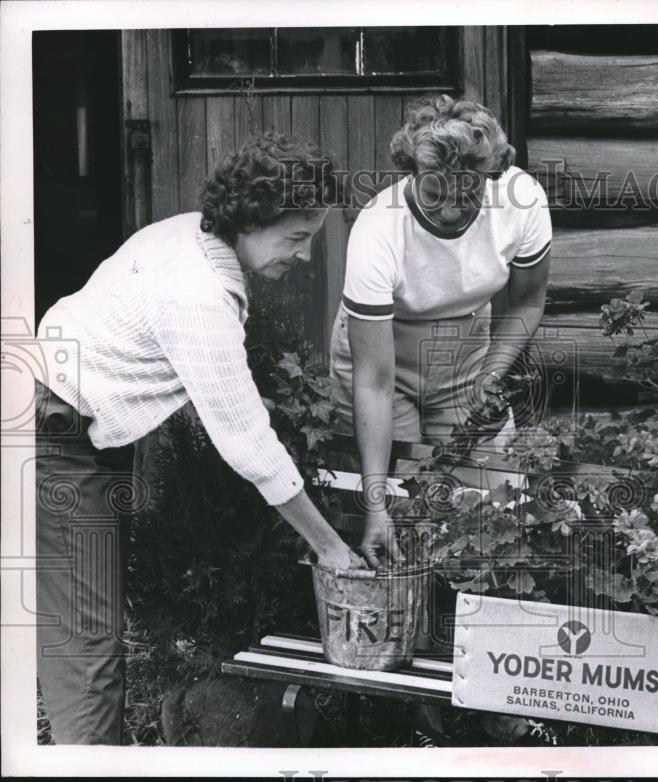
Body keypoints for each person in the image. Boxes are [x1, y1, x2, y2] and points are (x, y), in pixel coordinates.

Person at [34, 133, 357, 744]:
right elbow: (247, 447)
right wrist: (330, 547)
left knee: (86, 626)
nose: (307, 256)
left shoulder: (188, 234)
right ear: (251, 220)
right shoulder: (198, 293)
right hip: (53, 432)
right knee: (88, 640)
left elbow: (201, 375)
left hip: (66, 415)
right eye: (296, 237)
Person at [328, 95, 553, 746]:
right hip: (384, 357)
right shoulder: (379, 229)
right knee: (400, 509)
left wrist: (491, 380)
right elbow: (371, 383)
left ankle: (493, 690)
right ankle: (408, 699)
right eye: (436, 195)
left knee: (486, 502)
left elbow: (528, 299)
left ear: (490, 178)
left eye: (468, 195)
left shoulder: (521, 199)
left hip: (468, 350)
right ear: (410, 177)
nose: (453, 210)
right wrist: (375, 502)